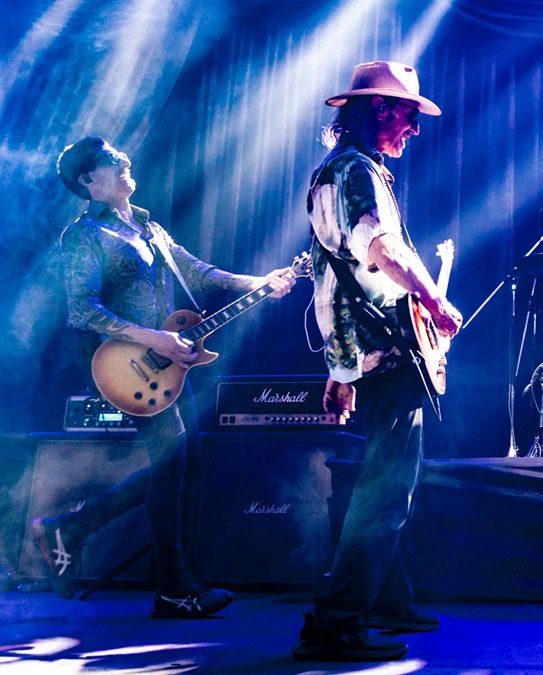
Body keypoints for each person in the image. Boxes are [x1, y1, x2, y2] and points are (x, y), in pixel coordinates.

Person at [36, 136, 296, 617]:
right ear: (90, 180)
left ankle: (70, 529)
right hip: (124, 363)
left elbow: (197, 272)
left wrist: (256, 283)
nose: (126, 160)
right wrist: (151, 338)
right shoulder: (85, 235)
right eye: (114, 159)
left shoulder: (147, 226)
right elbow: (81, 309)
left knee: (184, 462)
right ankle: (174, 589)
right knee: (174, 460)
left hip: (168, 362)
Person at [292, 61, 462, 662]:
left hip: (371, 351)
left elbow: (337, 278)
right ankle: (335, 624)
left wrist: (340, 370)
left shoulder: (344, 172)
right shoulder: (356, 171)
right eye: (409, 116)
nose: (413, 129)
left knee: (390, 482)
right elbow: (380, 251)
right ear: (383, 109)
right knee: (386, 489)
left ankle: (388, 602)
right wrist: (435, 299)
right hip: (386, 352)